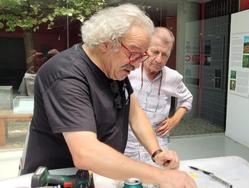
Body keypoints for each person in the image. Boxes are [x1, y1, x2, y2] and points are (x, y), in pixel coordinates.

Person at [21, 4, 196, 188]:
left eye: (142, 55)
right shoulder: (66, 74)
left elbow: (134, 112)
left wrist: (156, 153)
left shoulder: (114, 67)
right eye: (134, 53)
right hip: (56, 178)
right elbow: (86, 153)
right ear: (106, 43)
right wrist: (162, 177)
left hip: (95, 175)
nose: (138, 64)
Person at [124, 27, 193, 165]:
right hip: (128, 141)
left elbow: (187, 98)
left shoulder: (172, 77)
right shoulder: (128, 71)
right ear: (146, 49)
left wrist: (174, 120)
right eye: (155, 52)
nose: (159, 59)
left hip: (158, 142)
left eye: (165, 55)